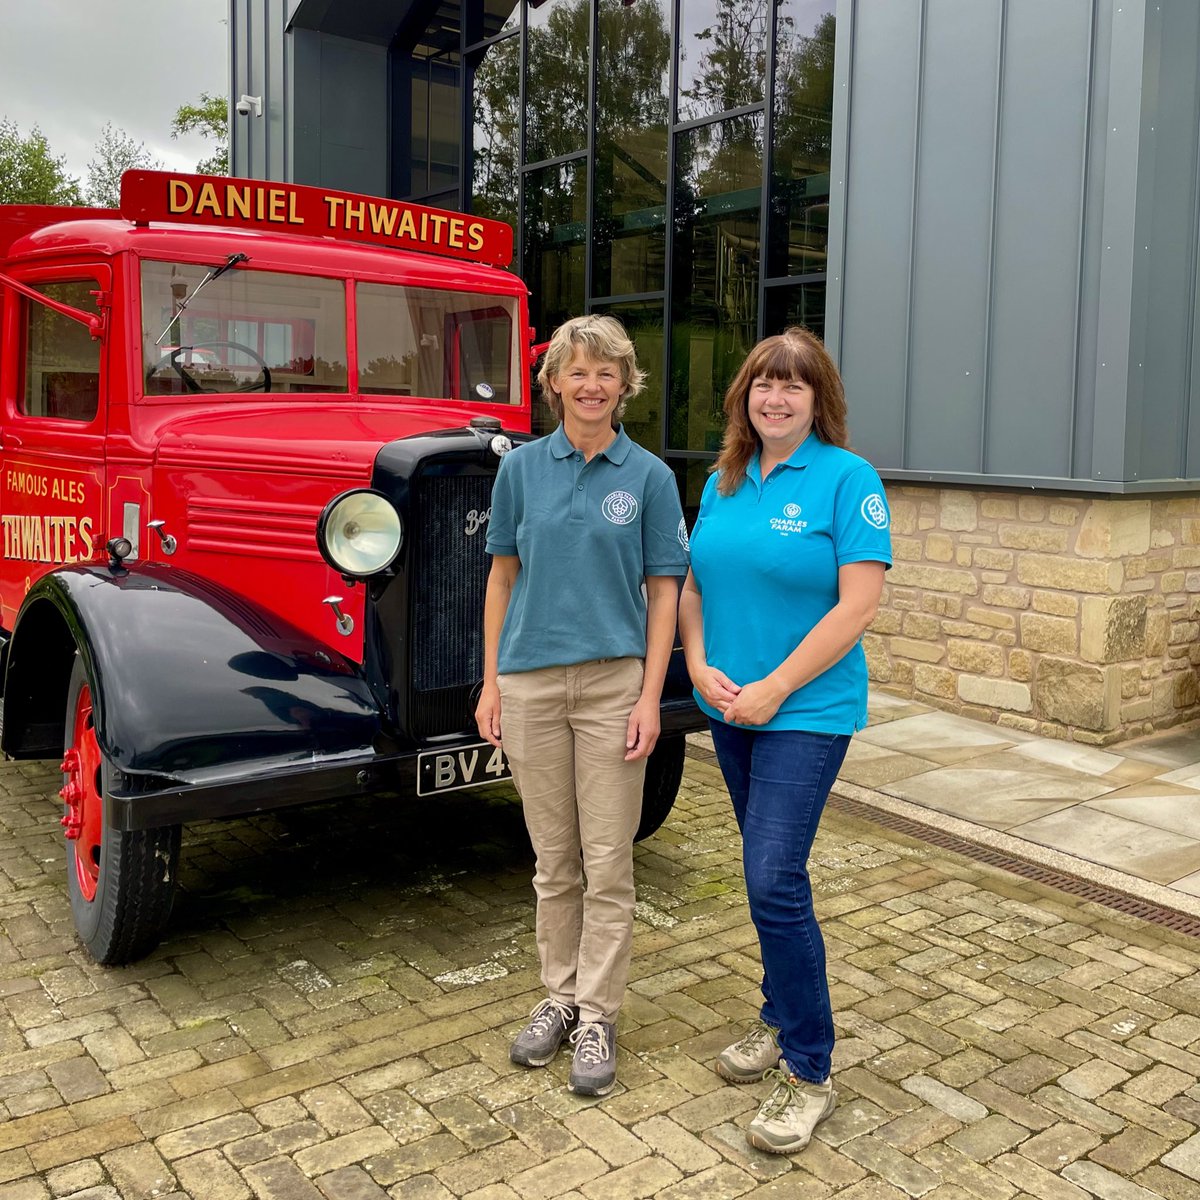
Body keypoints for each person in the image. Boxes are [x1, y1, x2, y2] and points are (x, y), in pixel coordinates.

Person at [678, 327, 892, 1153]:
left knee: (772, 877)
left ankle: (808, 1068)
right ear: (744, 396)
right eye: (763, 384)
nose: (776, 397)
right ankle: (778, 1014)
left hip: (806, 712)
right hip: (732, 709)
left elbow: (857, 607)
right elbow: (695, 585)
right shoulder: (723, 481)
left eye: (793, 386)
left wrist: (776, 686)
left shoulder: (848, 479)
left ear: (818, 399)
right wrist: (696, 665)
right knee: (763, 870)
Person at [475, 314, 689, 1097]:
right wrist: (493, 681)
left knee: (609, 862)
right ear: (554, 383)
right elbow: (501, 577)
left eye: (607, 372)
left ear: (624, 385)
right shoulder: (522, 471)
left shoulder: (652, 478)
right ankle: (558, 996)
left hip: (611, 688)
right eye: (577, 371)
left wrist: (650, 696)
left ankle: (598, 1012)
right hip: (531, 684)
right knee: (552, 862)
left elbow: (664, 593)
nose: (591, 384)